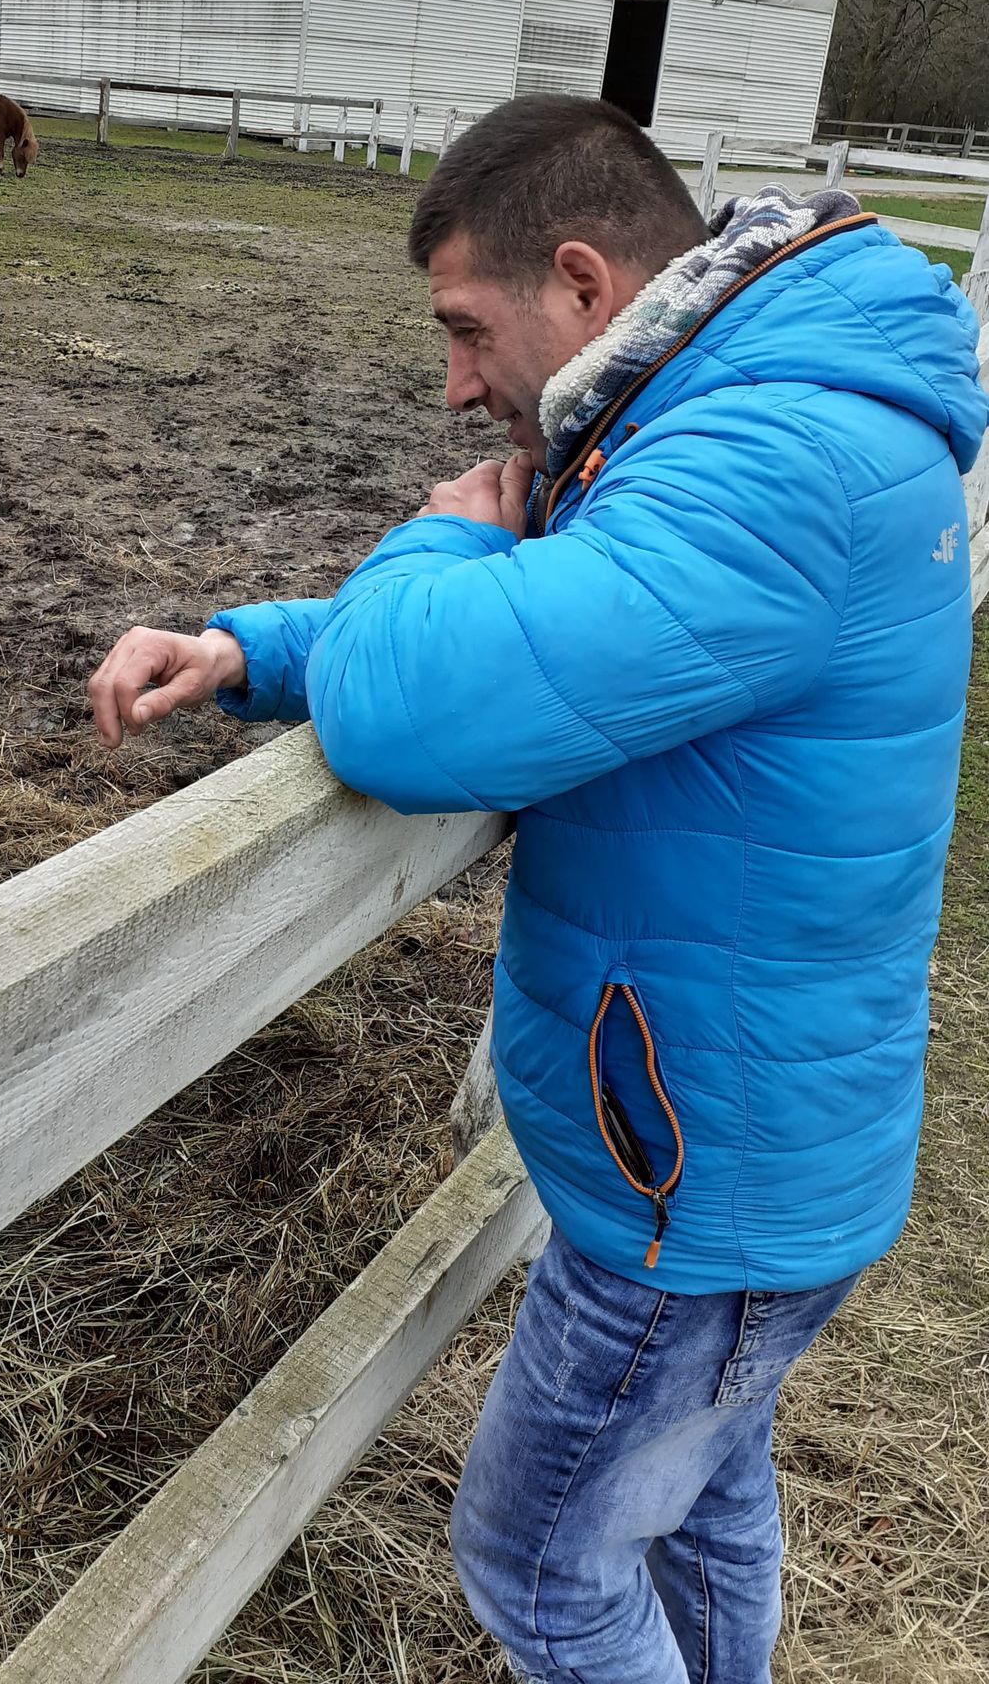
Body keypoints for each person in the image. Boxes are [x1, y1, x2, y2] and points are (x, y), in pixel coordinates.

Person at [86, 95, 987, 1683]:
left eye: (462, 327)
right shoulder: (756, 409)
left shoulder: (768, 461)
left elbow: (425, 702)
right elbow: (568, 624)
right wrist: (249, 648)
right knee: (699, 1498)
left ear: (579, 280)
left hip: (691, 1177)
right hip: (745, 1136)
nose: (452, 384)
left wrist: (432, 543)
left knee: (541, 1566)